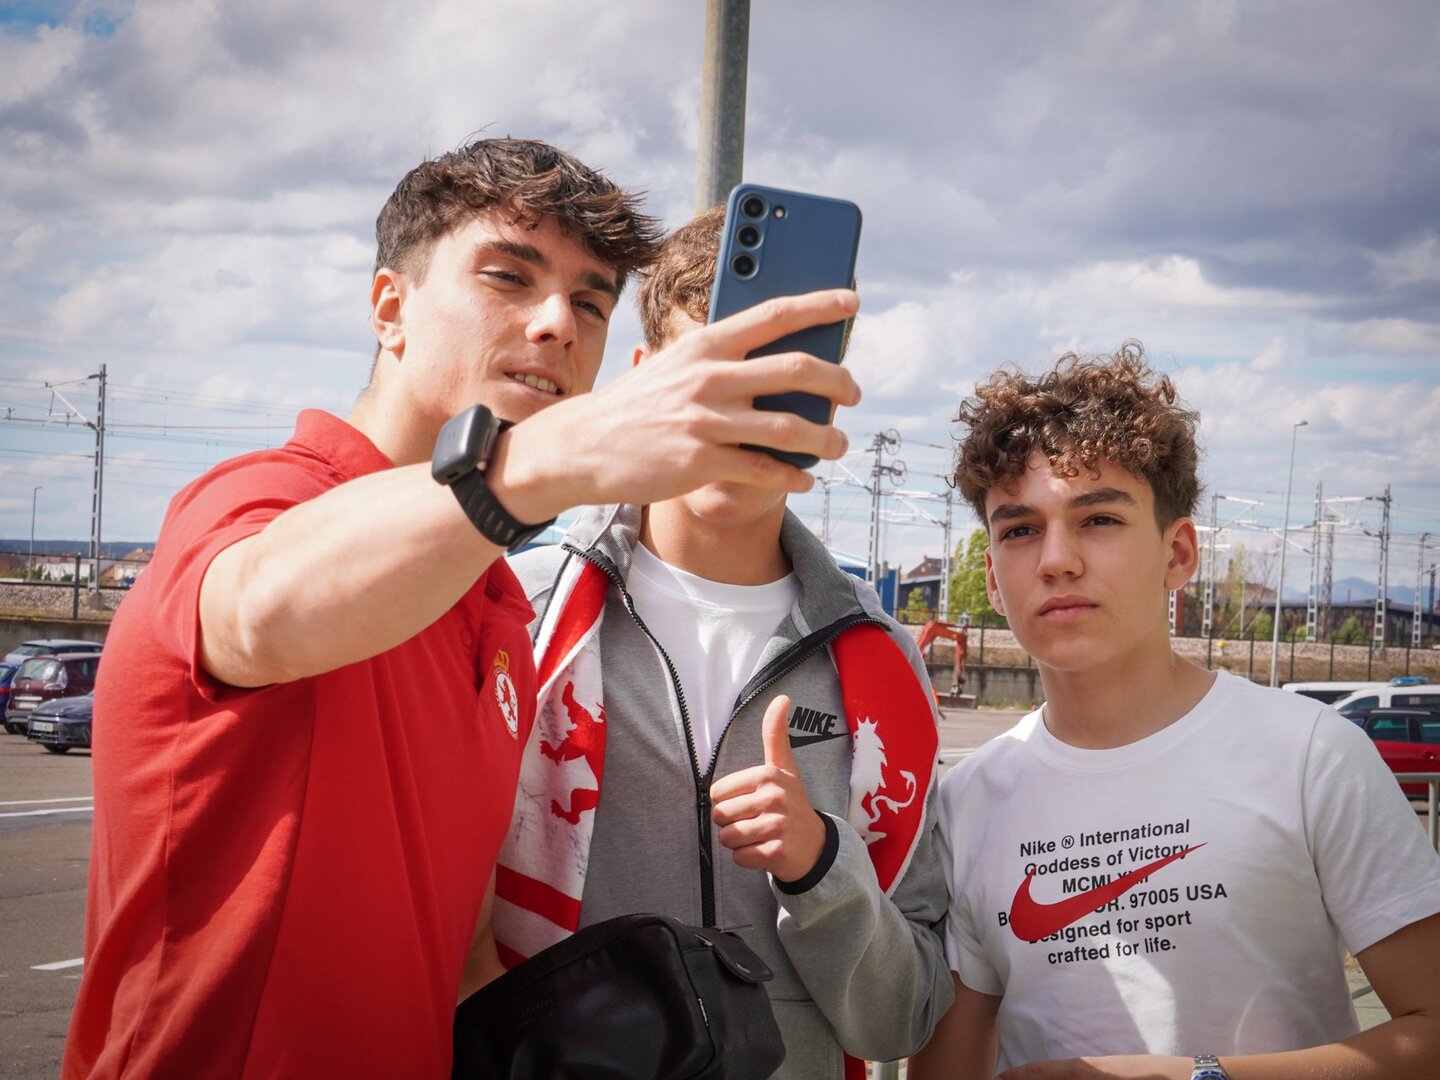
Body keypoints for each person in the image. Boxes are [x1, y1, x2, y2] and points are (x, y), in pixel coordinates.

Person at [64, 140, 863, 1079]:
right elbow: (260, 613)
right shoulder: (259, 501)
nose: (558, 322)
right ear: (389, 308)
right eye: (508, 277)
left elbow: (465, 956)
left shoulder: (500, 609)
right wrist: (549, 460)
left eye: (591, 302)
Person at [494, 206, 954, 1079]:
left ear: (826, 397)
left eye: (775, 381)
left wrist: (822, 869)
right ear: (645, 381)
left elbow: (904, 1018)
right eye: (709, 375)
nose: (740, 415)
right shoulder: (523, 616)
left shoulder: (881, 665)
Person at [909, 344, 1440, 1080]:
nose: (1056, 559)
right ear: (994, 582)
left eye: (1099, 518)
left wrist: (1191, 1075)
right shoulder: (967, 800)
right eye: (1019, 529)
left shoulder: (1312, 755)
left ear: (1179, 553)